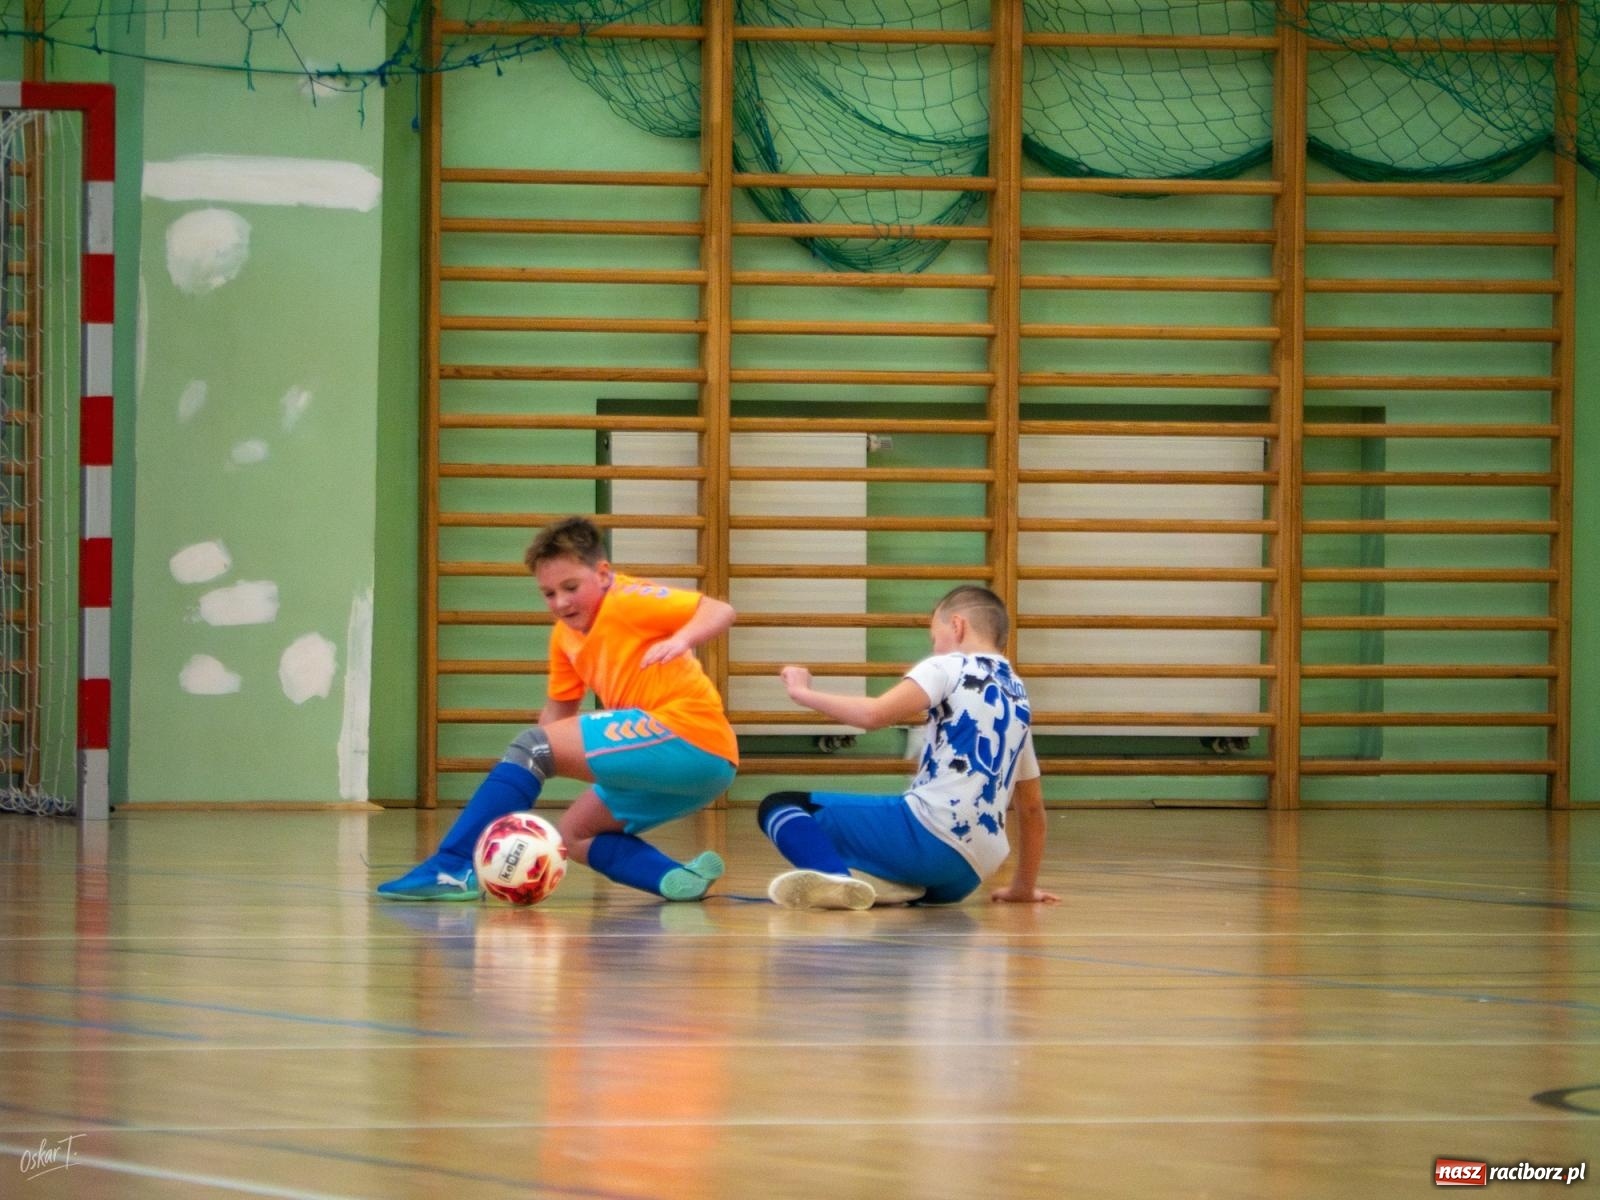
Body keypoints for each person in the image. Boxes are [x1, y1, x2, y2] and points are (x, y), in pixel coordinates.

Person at [379, 516, 739, 902]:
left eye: (571, 587)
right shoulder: (564, 638)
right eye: (548, 593)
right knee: (575, 834)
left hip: (690, 734)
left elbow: (719, 610)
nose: (561, 602)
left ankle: (452, 867)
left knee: (533, 747)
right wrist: (517, 783)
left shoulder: (629, 599)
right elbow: (556, 719)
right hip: (697, 770)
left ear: (602, 573)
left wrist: (682, 639)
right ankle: (675, 878)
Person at [757, 584, 1059, 910]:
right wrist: (1023, 889)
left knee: (780, 805)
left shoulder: (946, 666)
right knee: (900, 868)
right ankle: (898, 887)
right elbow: (1031, 809)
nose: (935, 648)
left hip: (931, 839)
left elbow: (873, 715)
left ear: (956, 625)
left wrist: (803, 694)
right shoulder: (1017, 697)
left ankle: (836, 880)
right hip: (970, 873)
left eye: (934, 638)